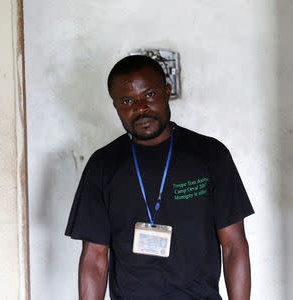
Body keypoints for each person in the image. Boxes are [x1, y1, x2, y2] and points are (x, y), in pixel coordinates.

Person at [65, 55, 254, 300]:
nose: (140, 107)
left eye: (150, 95)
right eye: (127, 100)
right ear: (116, 107)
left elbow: (234, 246)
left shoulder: (210, 155)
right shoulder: (103, 165)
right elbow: (94, 259)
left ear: (167, 91)